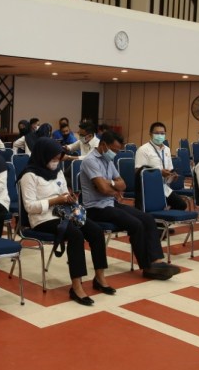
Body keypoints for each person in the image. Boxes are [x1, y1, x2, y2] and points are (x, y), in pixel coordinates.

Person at [20, 138, 113, 305]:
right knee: (75, 235)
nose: (56, 161)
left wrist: (70, 198)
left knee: (96, 231)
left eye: (59, 158)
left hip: (65, 213)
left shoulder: (58, 171)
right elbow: (30, 207)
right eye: (53, 158)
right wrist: (55, 200)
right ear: (43, 155)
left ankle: (100, 278)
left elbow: (63, 192)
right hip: (43, 218)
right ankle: (76, 287)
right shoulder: (29, 175)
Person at [80, 130, 180, 280]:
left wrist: (110, 183)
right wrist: (112, 188)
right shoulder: (90, 161)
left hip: (110, 203)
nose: (115, 153)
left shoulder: (108, 161)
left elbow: (123, 184)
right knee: (135, 224)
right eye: (114, 150)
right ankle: (147, 267)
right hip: (95, 208)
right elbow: (103, 189)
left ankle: (157, 261)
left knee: (147, 219)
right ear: (103, 145)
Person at [133, 122, 188, 211]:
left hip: (164, 187)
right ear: (150, 134)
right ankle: (162, 214)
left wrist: (172, 175)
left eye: (162, 133)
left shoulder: (167, 149)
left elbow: (169, 169)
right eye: (157, 133)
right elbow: (138, 172)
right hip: (150, 187)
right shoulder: (143, 150)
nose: (160, 136)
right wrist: (159, 173)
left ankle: (164, 213)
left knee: (181, 205)